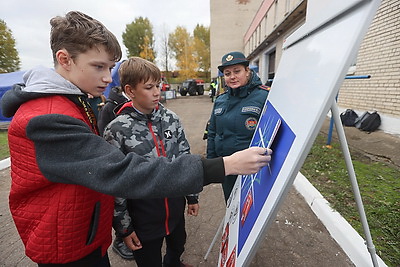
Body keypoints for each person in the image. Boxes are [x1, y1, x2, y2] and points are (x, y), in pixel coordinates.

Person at [1, 12, 272, 266]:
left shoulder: (70, 102)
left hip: (82, 232)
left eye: (110, 67)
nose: (107, 78)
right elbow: (122, 171)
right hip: (66, 242)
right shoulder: (49, 117)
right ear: (65, 60)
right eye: (98, 67)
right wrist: (224, 165)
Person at [103, 57, 198, 267]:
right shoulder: (116, 130)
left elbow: (185, 156)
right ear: (130, 90)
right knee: (149, 260)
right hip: (143, 215)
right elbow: (115, 182)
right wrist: (124, 228)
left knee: (178, 245)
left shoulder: (171, 118)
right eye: (149, 87)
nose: (157, 92)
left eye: (158, 85)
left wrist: (192, 196)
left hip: (174, 207)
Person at [206, 51, 270, 202]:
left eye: (237, 71)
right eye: (227, 73)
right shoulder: (220, 100)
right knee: (232, 207)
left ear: (247, 71)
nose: (232, 76)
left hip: (253, 169)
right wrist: (211, 163)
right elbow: (212, 132)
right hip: (227, 167)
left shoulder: (264, 97)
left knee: (251, 210)